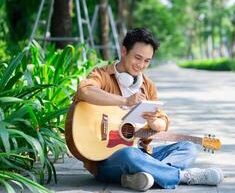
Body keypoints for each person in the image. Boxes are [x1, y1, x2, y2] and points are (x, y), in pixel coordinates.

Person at [73, 28, 224, 191]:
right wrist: (125, 100)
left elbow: (163, 123)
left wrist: (153, 122)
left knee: (188, 147)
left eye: (147, 61)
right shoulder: (102, 75)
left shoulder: (147, 85)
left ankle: (144, 176)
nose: (141, 65)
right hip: (107, 160)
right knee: (129, 155)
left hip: (142, 153)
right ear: (124, 51)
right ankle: (182, 176)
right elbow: (84, 91)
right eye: (138, 58)